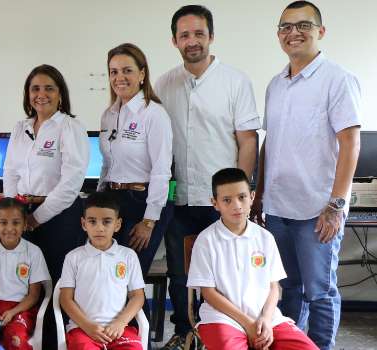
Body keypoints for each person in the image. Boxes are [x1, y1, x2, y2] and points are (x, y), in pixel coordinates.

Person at [252, 2, 362, 349]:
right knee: (287, 288)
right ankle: (293, 344)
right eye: (285, 26)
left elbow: (350, 142)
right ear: (279, 34)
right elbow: (270, 143)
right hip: (278, 208)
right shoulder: (275, 84)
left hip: (318, 210)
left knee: (320, 291)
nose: (293, 32)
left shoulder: (338, 79)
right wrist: (258, 195)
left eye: (303, 25)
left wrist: (336, 203)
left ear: (320, 31)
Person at [154, 6, 261, 349]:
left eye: (199, 33)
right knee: (180, 274)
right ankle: (185, 331)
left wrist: (239, 198)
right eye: (184, 35)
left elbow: (248, 140)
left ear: (211, 37)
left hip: (222, 203)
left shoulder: (235, 81)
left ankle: (225, 332)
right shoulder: (164, 84)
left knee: (227, 274)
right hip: (180, 198)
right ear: (174, 40)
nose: (192, 40)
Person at [188, 168, 318, 350]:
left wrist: (264, 319)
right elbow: (208, 293)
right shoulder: (206, 240)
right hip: (223, 319)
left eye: (242, 197)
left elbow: (274, 287)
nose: (237, 205)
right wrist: (248, 324)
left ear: (252, 197)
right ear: (215, 203)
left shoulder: (265, 238)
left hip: (267, 319)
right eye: (227, 200)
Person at [3, 64, 89, 283]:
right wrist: (14, 212)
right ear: (28, 94)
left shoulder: (70, 127)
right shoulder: (20, 128)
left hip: (59, 216)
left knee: (57, 279)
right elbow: (11, 172)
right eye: (35, 89)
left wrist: (36, 218)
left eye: (49, 88)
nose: (41, 94)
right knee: (25, 279)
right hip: (24, 213)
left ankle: (53, 320)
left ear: (60, 93)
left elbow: (71, 182)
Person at [98, 43, 173, 275]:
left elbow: (162, 170)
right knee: (108, 274)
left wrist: (149, 221)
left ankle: (136, 314)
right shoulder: (109, 114)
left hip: (143, 201)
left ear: (142, 74)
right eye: (114, 72)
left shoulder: (154, 114)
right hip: (113, 200)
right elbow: (108, 164)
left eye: (127, 70)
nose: (119, 77)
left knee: (130, 276)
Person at [59, 192, 145, 350]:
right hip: (83, 329)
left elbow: (137, 296)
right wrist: (87, 326)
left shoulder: (128, 256)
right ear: (84, 224)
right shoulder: (73, 257)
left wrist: (120, 323)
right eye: (92, 221)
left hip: (119, 329)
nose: (99, 228)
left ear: (117, 225)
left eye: (107, 222)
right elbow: (65, 299)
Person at [0, 198, 51, 350]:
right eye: (3, 222)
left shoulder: (33, 252)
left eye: (16, 222)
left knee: (16, 339)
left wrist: (13, 312)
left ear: (25, 224)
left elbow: (33, 296)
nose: (10, 228)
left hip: (21, 308)